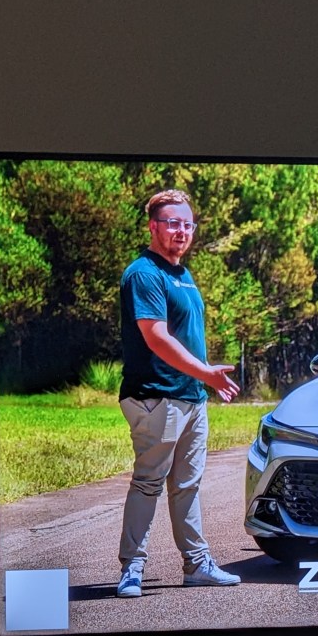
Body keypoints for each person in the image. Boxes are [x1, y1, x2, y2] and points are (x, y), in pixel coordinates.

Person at [116, 189, 241, 598]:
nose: (181, 231)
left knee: (187, 485)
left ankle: (197, 565)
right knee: (148, 482)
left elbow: (184, 336)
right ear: (153, 227)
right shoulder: (144, 274)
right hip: (155, 396)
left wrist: (202, 380)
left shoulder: (182, 274)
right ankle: (132, 569)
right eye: (172, 223)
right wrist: (206, 373)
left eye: (187, 224)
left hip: (190, 397)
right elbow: (156, 337)